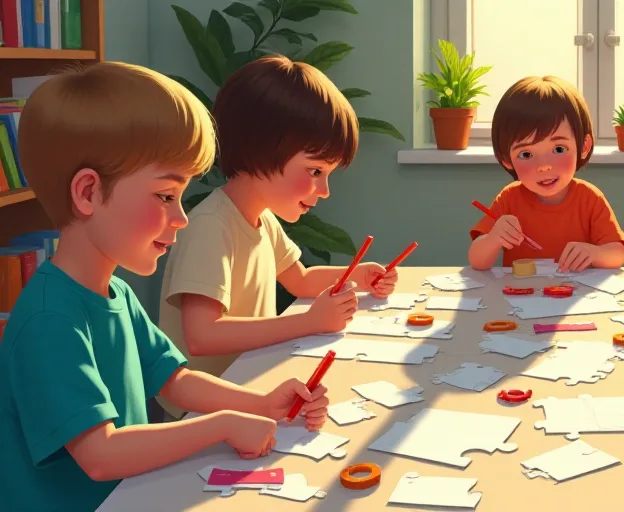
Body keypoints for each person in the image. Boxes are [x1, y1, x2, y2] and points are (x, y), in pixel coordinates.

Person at [0, 62, 330, 512]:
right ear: (88, 193)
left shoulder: (116, 293)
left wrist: (263, 403)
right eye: (165, 196)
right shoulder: (48, 320)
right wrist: (221, 426)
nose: (181, 217)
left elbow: (173, 381)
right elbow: (100, 455)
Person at [157, 56, 397, 419]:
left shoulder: (261, 218)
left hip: (245, 389)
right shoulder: (211, 226)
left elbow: (299, 279)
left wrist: (358, 275)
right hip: (200, 413)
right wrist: (309, 322)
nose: (325, 190)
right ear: (262, 148)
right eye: (315, 171)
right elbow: (202, 336)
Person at [468, 75, 624, 273]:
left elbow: (617, 254)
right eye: (526, 154)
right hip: (520, 298)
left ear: (583, 146)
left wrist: (594, 253)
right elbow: (477, 261)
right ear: (506, 159)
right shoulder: (509, 198)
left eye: (559, 149)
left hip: (575, 298)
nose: (544, 166)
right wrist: (492, 239)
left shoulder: (590, 198)